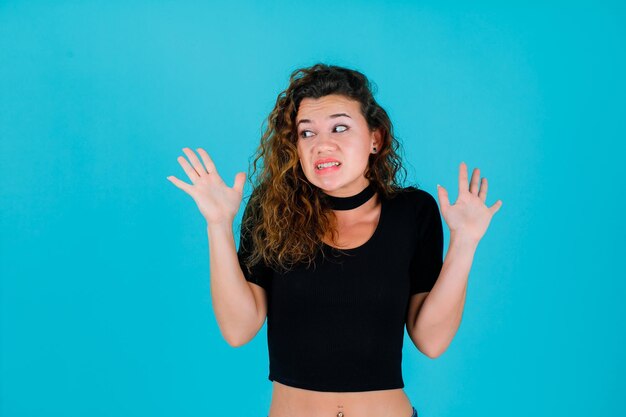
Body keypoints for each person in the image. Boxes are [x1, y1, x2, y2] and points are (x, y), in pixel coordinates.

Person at [167, 63, 502, 417]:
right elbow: (238, 330)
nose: (322, 145)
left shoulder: (413, 212)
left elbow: (431, 341)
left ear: (375, 138)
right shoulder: (272, 208)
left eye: (339, 127)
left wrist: (465, 242)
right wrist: (218, 225)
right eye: (306, 133)